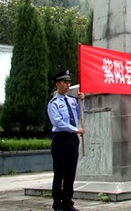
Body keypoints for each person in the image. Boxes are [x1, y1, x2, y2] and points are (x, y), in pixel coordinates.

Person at [47, 70, 85, 211]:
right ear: (58, 84)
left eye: (69, 82)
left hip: (72, 140)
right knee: (60, 173)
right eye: (64, 82)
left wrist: (82, 101)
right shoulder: (53, 103)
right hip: (61, 139)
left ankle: (68, 202)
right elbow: (58, 122)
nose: (67, 85)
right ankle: (58, 203)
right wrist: (76, 130)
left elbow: (79, 114)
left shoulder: (72, 100)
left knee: (70, 173)